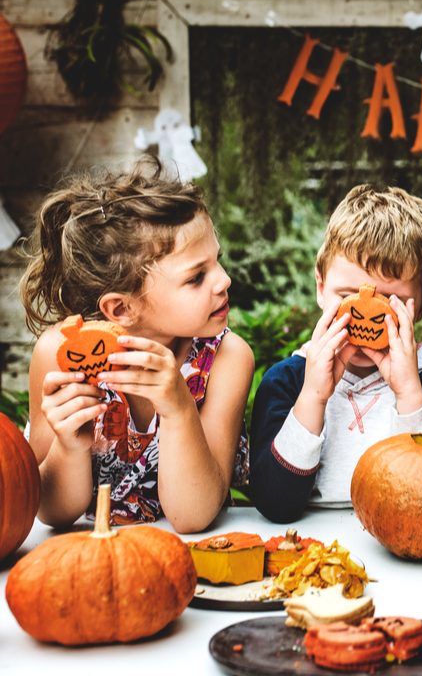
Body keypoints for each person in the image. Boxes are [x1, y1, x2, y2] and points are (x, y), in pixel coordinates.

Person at [21, 164, 253, 532]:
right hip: (87, 553)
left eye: (217, 260)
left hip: (187, 555)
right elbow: (52, 513)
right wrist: (69, 446)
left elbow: (193, 515)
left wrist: (179, 407)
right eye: (196, 277)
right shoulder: (60, 358)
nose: (224, 280)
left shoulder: (226, 359)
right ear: (122, 309)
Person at [249, 184, 422, 522]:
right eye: (348, 296)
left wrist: (409, 395)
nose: (365, 318)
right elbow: (274, 505)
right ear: (321, 288)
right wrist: (313, 398)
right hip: (307, 547)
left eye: (387, 303)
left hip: (403, 548)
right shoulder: (287, 381)